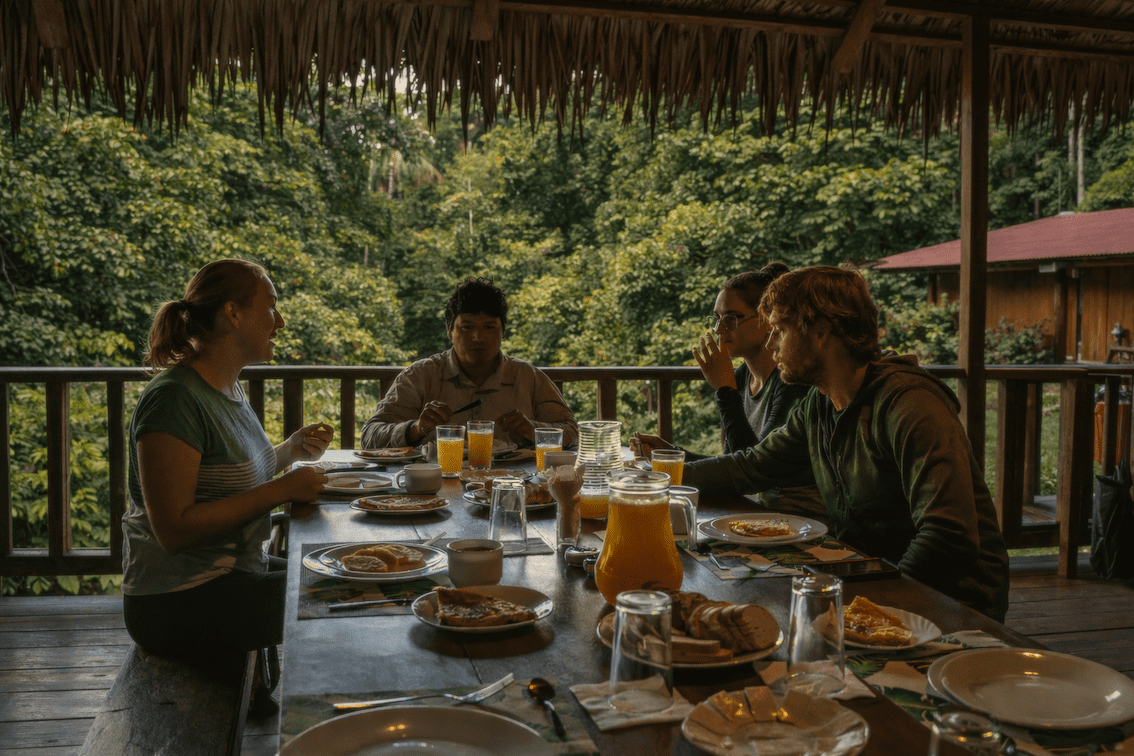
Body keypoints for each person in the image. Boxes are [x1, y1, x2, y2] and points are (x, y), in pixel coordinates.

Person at [683, 265, 1010, 621]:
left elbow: (949, 536)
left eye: (779, 330)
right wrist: (659, 476)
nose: (771, 342)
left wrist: (864, 609)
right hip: (876, 577)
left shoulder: (910, 405)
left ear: (820, 333)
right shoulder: (821, 403)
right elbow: (750, 466)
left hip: (951, 600)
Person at [122, 259, 334, 694]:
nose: (280, 320)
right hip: (177, 599)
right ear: (234, 314)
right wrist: (280, 490)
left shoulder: (227, 388)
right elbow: (174, 530)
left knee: (338, 571)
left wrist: (287, 452)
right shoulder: (173, 400)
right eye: (271, 306)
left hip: (233, 573)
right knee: (341, 596)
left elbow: (231, 478)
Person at [631, 262, 827, 523]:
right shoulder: (742, 377)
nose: (719, 329)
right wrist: (674, 454)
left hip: (802, 522)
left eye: (731, 318)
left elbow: (754, 473)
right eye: (717, 319)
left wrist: (725, 391)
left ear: (767, 319)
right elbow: (735, 462)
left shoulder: (792, 382)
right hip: (760, 514)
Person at [361, 276, 578, 450]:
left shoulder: (527, 377)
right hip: (437, 486)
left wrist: (534, 430)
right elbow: (370, 435)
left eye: (489, 327)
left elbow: (572, 431)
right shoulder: (421, 375)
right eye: (466, 327)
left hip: (511, 485)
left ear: (503, 331)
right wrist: (415, 429)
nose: (477, 337)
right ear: (450, 331)